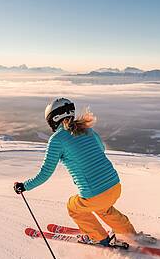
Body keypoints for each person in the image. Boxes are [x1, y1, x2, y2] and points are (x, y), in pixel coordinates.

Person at [14, 98, 150, 247]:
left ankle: (99, 238)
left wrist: (24, 186)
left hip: (95, 194)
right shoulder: (88, 130)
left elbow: (45, 173)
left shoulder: (57, 140)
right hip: (115, 186)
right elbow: (101, 149)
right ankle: (130, 233)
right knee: (103, 208)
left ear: (54, 119)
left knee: (73, 207)